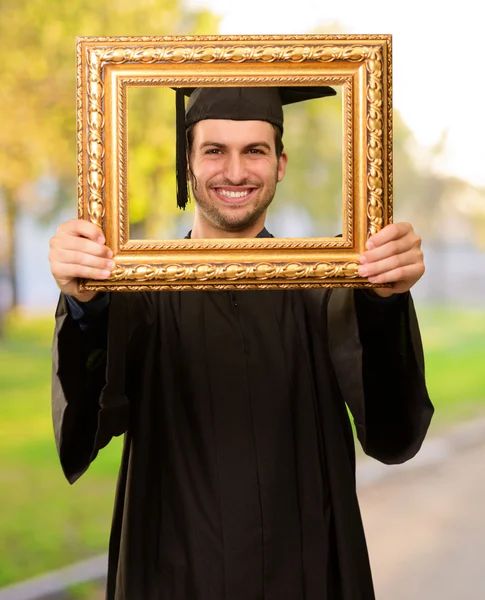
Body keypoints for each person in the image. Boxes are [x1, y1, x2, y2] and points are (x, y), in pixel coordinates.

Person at [49, 86, 433, 600]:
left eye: (255, 150)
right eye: (214, 150)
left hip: (306, 571)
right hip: (173, 572)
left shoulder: (326, 288)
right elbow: (93, 403)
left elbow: (392, 428)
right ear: (187, 163)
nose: (235, 172)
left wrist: (384, 300)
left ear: (280, 164)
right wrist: (84, 301)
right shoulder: (141, 293)